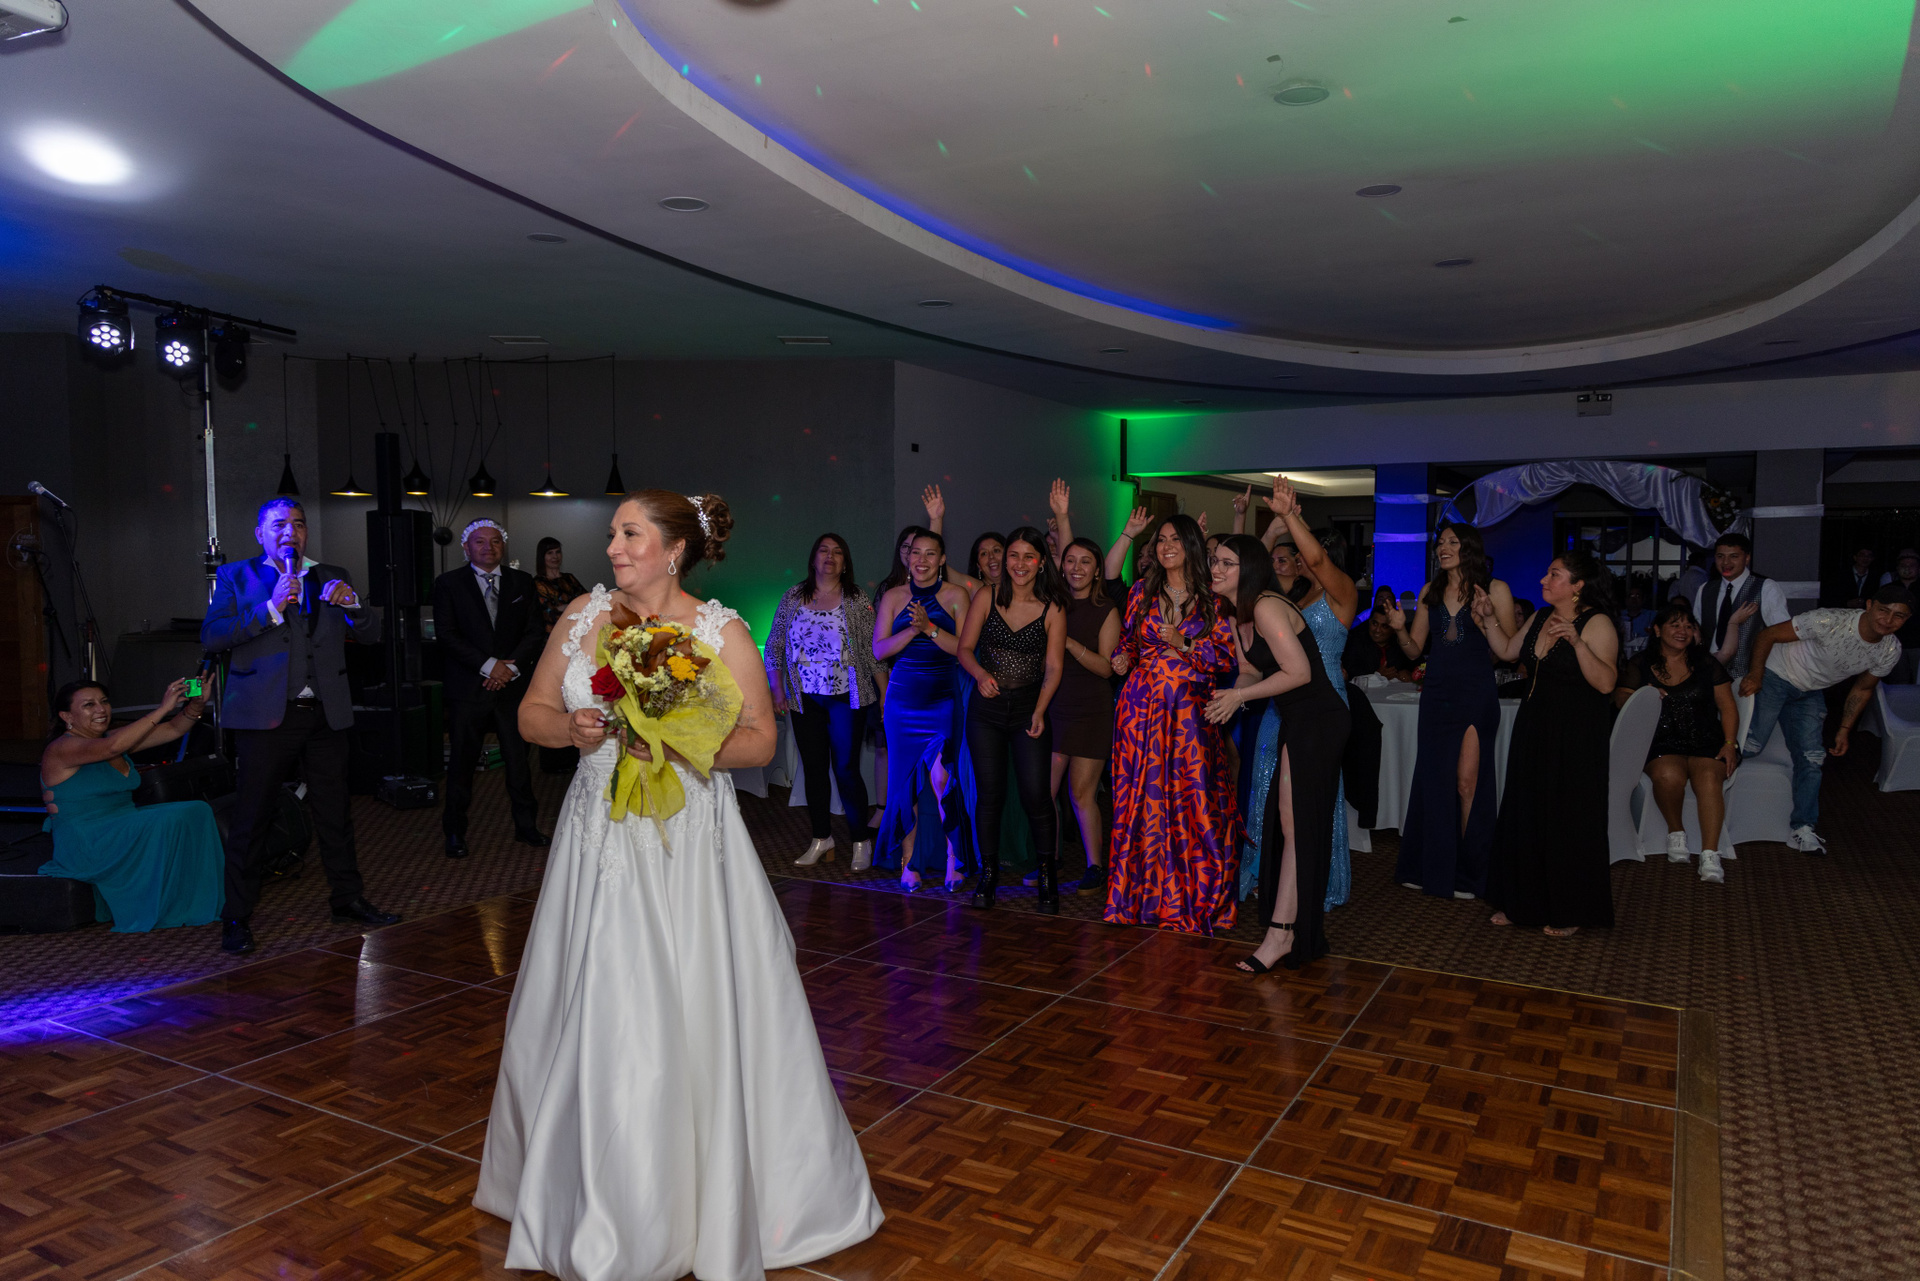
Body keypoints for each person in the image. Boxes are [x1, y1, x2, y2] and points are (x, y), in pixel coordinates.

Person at [477, 490, 883, 1278]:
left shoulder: (717, 629)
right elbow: (531, 714)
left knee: (692, 998)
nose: (614, 546)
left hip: (687, 843)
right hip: (597, 835)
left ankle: (697, 1197)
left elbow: (759, 740)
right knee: (593, 993)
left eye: (630, 533)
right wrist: (575, 728)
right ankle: (588, 1191)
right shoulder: (581, 617)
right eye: (613, 533)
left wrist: (677, 742)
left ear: (673, 549)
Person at [202, 497, 398, 956]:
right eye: (279, 524)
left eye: (298, 523)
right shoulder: (235, 576)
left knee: (335, 812)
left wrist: (354, 607)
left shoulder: (332, 574)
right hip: (266, 717)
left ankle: (347, 898)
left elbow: (371, 633)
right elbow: (213, 636)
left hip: (326, 713)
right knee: (253, 816)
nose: (290, 531)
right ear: (261, 534)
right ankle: (237, 915)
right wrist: (270, 608)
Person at [1205, 534, 1348, 971]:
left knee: (1296, 825)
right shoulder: (1238, 613)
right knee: (1290, 825)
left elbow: (1299, 672)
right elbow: (1249, 670)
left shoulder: (1267, 606)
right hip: (1296, 720)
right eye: (1214, 561)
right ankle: (1285, 932)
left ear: (1248, 570)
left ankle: (1282, 934)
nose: (1215, 569)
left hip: (1320, 719)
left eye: (1226, 563)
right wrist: (1232, 695)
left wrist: (1239, 698)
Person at [1104, 515, 1242, 934]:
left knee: (1192, 800)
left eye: (1175, 539)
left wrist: (1185, 644)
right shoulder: (1140, 592)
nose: (1165, 546)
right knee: (1140, 801)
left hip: (1188, 715)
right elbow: (1128, 642)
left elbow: (1227, 659)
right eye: (1161, 539)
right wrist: (1123, 658)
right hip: (1140, 711)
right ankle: (1138, 899)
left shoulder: (1214, 599)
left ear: (1192, 546)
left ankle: (1192, 899)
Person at [1484, 550, 1620, 937]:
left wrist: (1577, 643)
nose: (1544, 580)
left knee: (1567, 819)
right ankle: (1522, 904)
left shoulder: (1597, 622)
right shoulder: (1542, 616)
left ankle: (1570, 908)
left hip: (1575, 735)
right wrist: (1489, 618)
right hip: (1534, 726)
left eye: (1554, 574)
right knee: (1526, 813)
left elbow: (1606, 684)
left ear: (1578, 586)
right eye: (1547, 573)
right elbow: (1508, 652)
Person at [1384, 522, 1516, 900]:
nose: (1443, 548)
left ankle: (1471, 872)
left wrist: (1485, 620)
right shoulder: (1430, 591)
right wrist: (1399, 629)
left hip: (1475, 693)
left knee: (1466, 782)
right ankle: (1430, 868)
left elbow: (1508, 649)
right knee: (1434, 779)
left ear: (1469, 547)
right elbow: (1414, 650)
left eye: (1452, 542)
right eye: (1440, 543)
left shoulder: (1495, 589)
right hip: (1437, 694)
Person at [1739, 584, 1915, 853]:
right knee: (1751, 745)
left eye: (1898, 616)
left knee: (1812, 757)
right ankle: (1699, 779)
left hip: (1811, 691)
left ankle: (1803, 828)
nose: (1888, 620)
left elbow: (1862, 689)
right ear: (1869, 605)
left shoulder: (1890, 650)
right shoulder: (1830, 620)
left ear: (1907, 619)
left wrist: (1844, 729)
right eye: (1883, 610)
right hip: (1777, 675)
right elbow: (1767, 635)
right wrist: (1756, 674)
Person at [37, 679, 222, 932]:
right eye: (89, 705)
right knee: (170, 818)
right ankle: (162, 906)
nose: (101, 709)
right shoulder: (63, 747)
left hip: (121, 823)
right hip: (88, 839)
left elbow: (173, 730)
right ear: (67, 716)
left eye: (104, 702)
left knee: (197, 810)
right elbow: (113, 747)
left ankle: (191, 901)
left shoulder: (110, 739)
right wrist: (162, 708)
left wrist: (196, 705)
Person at [956, 526, 1068, 911]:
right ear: (1005, 561)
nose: (1020, 564)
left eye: (1028, 556)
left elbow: (1054, 667)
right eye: (1014, 556)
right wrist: (979, 675)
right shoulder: (987, 596)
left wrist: (1039, 710)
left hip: (1028, 709)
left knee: (1036, 795)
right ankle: (988, 875)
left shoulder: (1053, 607)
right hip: (986, 710)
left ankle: (1047, 875)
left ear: (1041, 563)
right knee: (990, 795)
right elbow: (965, 649)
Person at [1264, 477, 1362, 910]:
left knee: (1311, 796)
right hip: (1286, 700)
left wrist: (1290, 515)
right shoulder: (1299, 596)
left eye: (1305, 550)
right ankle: (1273, 877)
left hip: (1323, 703)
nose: (1300, 558)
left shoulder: (1343, 592)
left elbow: (1317, 558)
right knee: (1271, 788)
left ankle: (1316, 882)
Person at [433, 519, 549, 860]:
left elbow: (535, 632)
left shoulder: (522, 582)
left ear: (503, 546)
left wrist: (509, 669)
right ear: (466, 547)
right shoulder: (448, 584)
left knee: (519, 763)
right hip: (469, 688)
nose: (489, 547)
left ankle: (526, 826)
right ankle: (455, 831)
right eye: (480, 542)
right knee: (461, 764)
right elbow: (447, 635)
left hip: (512, 689)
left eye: (495, 541)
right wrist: (488, 665)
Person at [764, 533, 881, 869]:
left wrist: (885, 694)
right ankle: (821, 837)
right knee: (813, 769)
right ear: (813, 558)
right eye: (824, 550)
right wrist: (777, 689)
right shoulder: (793, 596)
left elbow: (872, 652)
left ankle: (860, 841)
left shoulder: (856, 599)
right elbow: (774, 646)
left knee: (846, 769)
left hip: (845, 697)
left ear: (845, 562)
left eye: (837, 552)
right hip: (804, 699)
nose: (830, 556)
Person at [872, 530, 971, 891]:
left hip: (942, 698)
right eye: (916, 553)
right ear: (907, 557)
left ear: (942, 559)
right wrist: (913, 632)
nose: (922, 560)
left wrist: (929, 628)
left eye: (931, 554)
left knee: (943, 779)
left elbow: (964, 648)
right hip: (903, 700)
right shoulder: (893, 596)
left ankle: (954, 859)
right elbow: (879, 650)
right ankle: (908, 861)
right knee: (903, 783)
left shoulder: (957, 595)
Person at [1614, 602, 1740, 883]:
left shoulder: (1706, 663)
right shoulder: (1641, 664)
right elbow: (1620, 697)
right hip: (1661, 742)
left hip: (1706, 740)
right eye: (1675, 625)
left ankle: (1710, 853)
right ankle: (1676, 831)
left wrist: (1730, 744)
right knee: (1668, 775)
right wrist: (1642, 695)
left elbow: (1728, 707)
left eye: (1688, 626)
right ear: (1658, 630)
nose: (1683, 631)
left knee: (1709, 777)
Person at [1050, 537, 1121, 893]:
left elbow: (1107, 668)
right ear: (1061, 566)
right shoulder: (1051, 604)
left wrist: (1068, 642)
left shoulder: (1106, 609)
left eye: (1085, 562)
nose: (1076, 568)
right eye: (1070, 561)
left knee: (1081, 794)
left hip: (1091, 710)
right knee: (1044, 791)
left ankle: (1095, 866)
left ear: (1096, 571)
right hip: (1052, 707)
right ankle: (1049, 859)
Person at [1693, 532, 1787, 683]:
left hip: (1750, 676)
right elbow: (1697, 630)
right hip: (1711, 675)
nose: (1726, 562)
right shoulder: (1705, 589)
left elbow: (1780, 632)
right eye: (1720, 556)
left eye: (1734, 556)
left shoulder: (1765, 587)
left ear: (1747, 558)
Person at [1344, 585, 1416, 682]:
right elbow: (1349, 671)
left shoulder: (1401, 643)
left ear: (1393, 628)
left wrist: (1409, 673)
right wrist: (1377, 675)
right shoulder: (1356, 641)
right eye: (1374, 624)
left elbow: (1418, 667)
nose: (1378, 630)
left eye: (1384, 626)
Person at [530, 537, 589, 635]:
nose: (555, 556)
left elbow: (586, 599)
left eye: (558, 552)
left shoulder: (569, 578)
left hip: (577, 632)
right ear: (542, 556)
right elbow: (547, 613)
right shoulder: (537, 582)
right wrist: (574, 606)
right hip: (553, 635)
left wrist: (564, 607)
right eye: (550, 553)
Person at [1822, 544, 1880, 609]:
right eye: (1862, 555)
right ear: (1855, 557)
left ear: (1872, 559)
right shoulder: (1840, 575)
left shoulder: (1875, 578)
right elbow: (1830, 597)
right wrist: (1847, 603)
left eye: (1869, 556)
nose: (1865, 558)